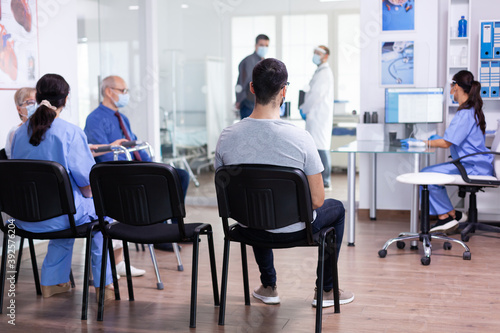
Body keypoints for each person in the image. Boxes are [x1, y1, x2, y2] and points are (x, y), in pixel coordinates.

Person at [215, 58, 354, 307]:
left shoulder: (227, 137)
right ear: (284, 91)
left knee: (254, 202)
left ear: (252, 88)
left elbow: (225, 196)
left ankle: (268, 286)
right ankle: (326, 290)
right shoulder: (300, 138)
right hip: (297, 230)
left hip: (249, 228)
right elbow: (317, 200)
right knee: (338, 209)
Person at [11, 74, 113, 299]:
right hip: (60, 217)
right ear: (65, 99)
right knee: (100, 217)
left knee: (69, 211)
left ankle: (53, 282)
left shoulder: (19, 133)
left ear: (37, 97)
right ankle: (103, 285)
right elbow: (87, 186)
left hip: (24, 217)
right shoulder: (70, 132)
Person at [84, 75, 188, 253]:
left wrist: (152, 164)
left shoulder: (123, 118)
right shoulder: (95, 119)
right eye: (123, 91)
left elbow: (134, 143)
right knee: (155, 184)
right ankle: (158, 233)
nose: (125, 95)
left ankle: (176, 229)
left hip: (135, 167)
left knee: (179, 176)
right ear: (109, 92)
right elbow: (103, 155)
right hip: (119, 173)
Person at [422, 70, 493, 234]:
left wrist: (423, 142)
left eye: (452, 85)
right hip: (475, 164)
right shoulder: (471, 110)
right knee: (427, 173)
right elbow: (454, 139)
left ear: (457, 87)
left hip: (472, 166)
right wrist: (436, 139)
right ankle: (452, 214)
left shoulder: (465, 114)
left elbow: (447, 143)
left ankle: (444, 217)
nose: (451, 90)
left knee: (426, 175)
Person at [299, 45, 335, 189]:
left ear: (325, 56)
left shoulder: (325, 73)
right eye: (314, 53)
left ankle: (326, 181)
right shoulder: (319, 72)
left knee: (321, 147)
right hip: (315, 116)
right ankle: (322, 180)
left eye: (318, 53)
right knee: (318, 146)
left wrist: (304, 109)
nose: (315, 55)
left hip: (319, 116)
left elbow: (315, 96)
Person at [235, 34, 270, 119]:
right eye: (261, 45)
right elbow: (241, 83)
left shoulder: (264, 62)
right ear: (256, 45)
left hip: (261, 104)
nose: (264, 48)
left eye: (266, 45)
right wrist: (240, 100)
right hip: (248, 104)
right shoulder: (248, 61)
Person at [5, 87, 36, 158]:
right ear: (19, 109)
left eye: (38, 102)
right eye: (31, 102)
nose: (36, 106)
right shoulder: (15, 132)